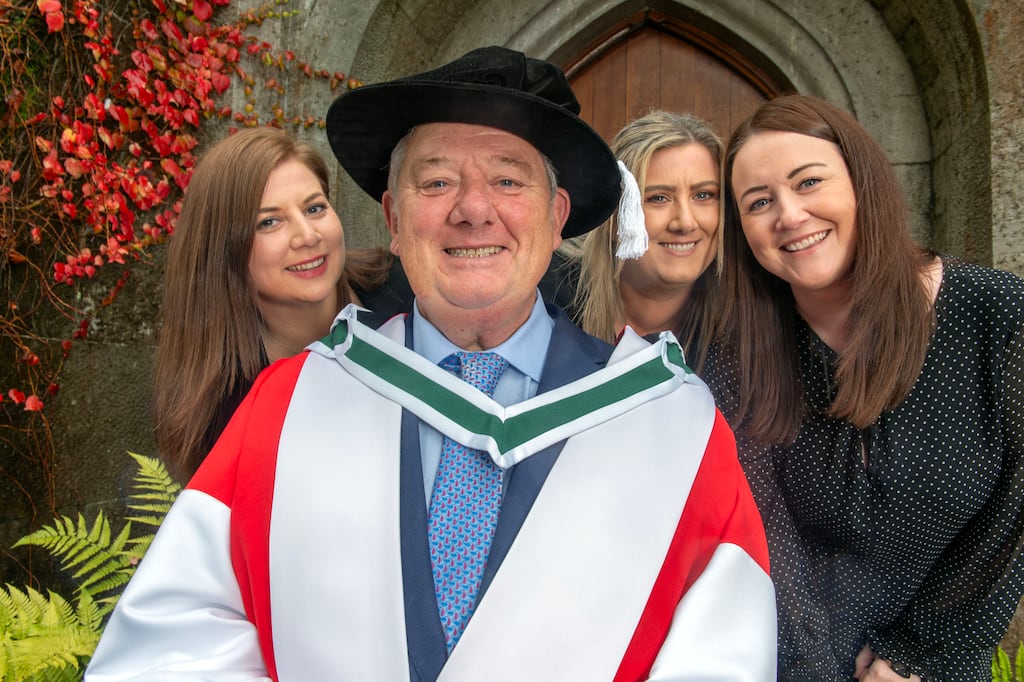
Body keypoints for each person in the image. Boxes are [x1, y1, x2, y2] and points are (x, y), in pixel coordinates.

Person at [86, 46, 775, 681]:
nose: (474, 210)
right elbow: (170, 644)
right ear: (391, 215)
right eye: (437, 181)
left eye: (509, 180)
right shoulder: (291, 404)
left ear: (557, 216)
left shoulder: (670, 427)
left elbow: (721, 656)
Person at [706, 93, 1024, 680]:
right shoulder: (738, 356)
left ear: (861, 181)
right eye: (758, 202)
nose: (789, 215)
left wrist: (915, 655)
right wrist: (818, 665)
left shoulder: (997, 314)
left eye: (808, 183)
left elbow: (1015, 510)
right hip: (795, 662)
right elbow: (758, 527)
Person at [152, 127, 396, 479]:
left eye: (314, 208)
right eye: (269, 222)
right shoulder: (226, 416)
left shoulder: (405, 289)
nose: (308, 236)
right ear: (222, 251)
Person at [571, 110, 724, 372]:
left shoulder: (745, 325)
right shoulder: (552, 300)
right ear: (616, 214)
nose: (685, 223)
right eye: (658, 198)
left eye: (703, 195)